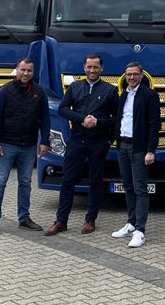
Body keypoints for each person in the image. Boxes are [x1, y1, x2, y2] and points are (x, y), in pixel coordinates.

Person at [45, 54, 118, 236]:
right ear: (84, 67)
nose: (92, 70)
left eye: (95, 67)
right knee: (68, 180)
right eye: (89, 67)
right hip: (77, 141)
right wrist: (81, 119)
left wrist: (104, 132)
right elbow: (62, 109)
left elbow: (117, 119)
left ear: (101, 68)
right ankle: (61, 221)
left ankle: (90, 220)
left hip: (98, 142)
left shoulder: (110, 90)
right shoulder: (75, 87)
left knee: (95, 181)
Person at [0, 57, 50, 235]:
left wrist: (44, 141)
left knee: (25, 183)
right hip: (6, 145)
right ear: (17, 70)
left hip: (29, 146)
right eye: (23, 70)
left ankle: (24, 219)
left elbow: (45, 118)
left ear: (33, 72)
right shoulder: (5, 91)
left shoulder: (39, 92)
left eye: (29, 70)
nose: (26, 73)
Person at [111, 62, 161, 248]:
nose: (131, 77)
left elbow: (155, 124)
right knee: (128, 186)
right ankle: (131, 223)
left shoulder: (149, 95)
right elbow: (120, 119)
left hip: (139, 148)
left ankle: (140, 230)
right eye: (128, 74)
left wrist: (151, 150)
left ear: (141, 75)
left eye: (134, 74)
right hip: (123, 146)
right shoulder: (123, 95)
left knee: (140, 188)